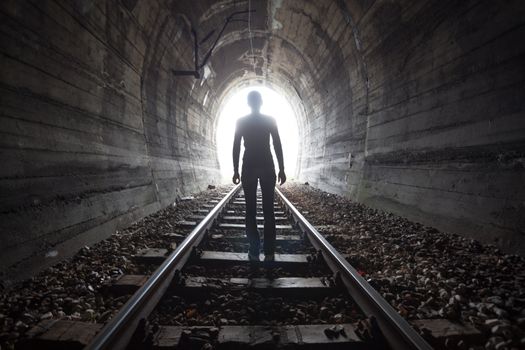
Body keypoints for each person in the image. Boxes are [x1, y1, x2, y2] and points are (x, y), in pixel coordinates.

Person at [232, 91, 286, 262]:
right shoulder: (270, 120)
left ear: (248, 103)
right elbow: (277, 144)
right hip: (267, 165)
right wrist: (282, 169)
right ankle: (269, 253)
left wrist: (235, 170)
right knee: (269, 211)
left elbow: (236, 146)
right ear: (261, 102)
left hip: (248, 165)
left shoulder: (241, 121)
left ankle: (254, 252)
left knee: (250, 211)